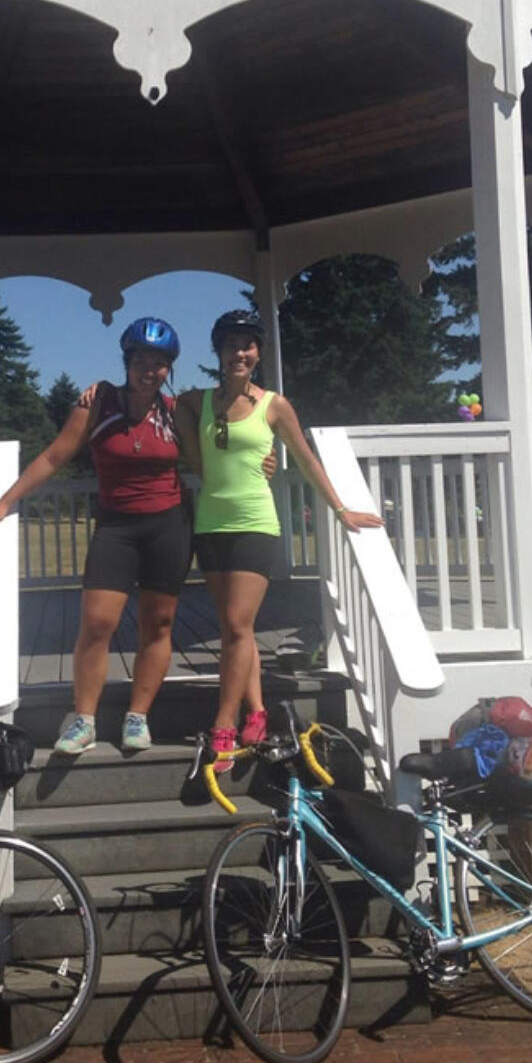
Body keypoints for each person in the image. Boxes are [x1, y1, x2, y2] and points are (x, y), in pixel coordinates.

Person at [174, 309, 383, 772]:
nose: (239, 353)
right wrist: (101, 396)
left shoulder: (274, 405)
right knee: (237, 630)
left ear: (258, 353)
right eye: (230, 345)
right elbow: (162, 407)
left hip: (255, 524)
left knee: (234, 624)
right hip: (210, 525)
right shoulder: (196, 402)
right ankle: (259, 710)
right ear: (218, 351)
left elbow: (307, 461)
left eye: (248, 346)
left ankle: (224, 726)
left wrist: (341, 508)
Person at [0, 317, 190, 755]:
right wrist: (7, 499)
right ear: (127, 362)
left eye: (159, 362)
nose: (150, 369)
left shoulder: (176, 411)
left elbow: (211, 456)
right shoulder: (97, 403)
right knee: (97, 623)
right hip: (116, 527)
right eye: (141, 360)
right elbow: (56, 456)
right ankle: (84, 720)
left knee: (159, 623)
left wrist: (261, 466)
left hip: (169, 524)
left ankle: (138, 717)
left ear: (169, 368)